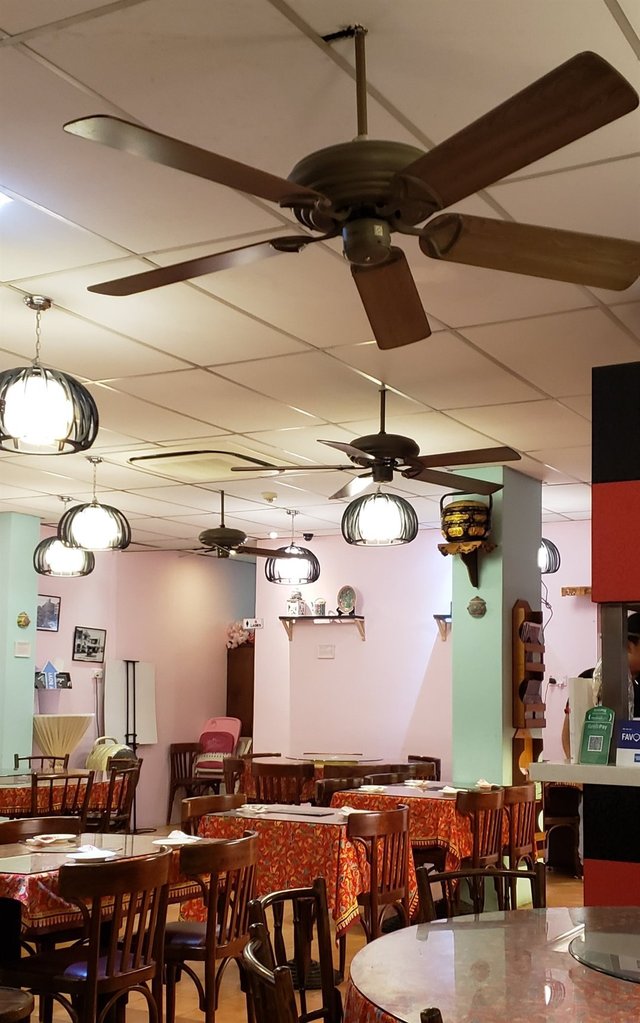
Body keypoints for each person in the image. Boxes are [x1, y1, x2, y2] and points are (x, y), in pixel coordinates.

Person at [562, 611, 640, 760]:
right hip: (594, 769)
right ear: (630, 646)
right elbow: (570, 734)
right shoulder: (588, 680)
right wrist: (578, 769)